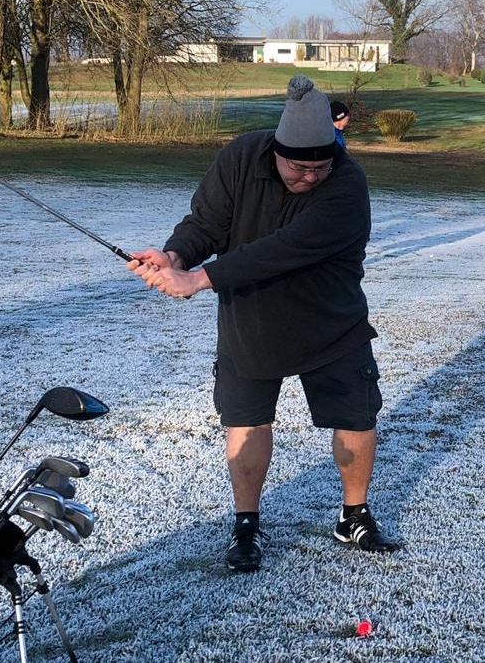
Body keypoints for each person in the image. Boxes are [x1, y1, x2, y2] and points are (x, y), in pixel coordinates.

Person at [128, 75, 398, 572]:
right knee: (246, 421)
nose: (311, 177)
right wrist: (173, 255)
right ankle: (246, 524)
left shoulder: (348, 184)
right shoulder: (241, 158)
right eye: (299, 167)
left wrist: (198, 279)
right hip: (250, 319)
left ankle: (354, 514)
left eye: (320, 166)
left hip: (330, 320)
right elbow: (207, 222)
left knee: (356, 417)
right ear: (277, 150)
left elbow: (284, 250)